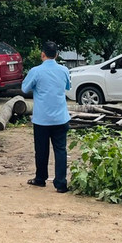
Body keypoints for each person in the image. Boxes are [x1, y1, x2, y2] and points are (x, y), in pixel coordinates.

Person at [21, 41, 72, 193]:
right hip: (60, 117)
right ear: (56, 55)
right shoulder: (64, 70)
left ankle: (41, 178)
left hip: (42, 118)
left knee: (41, 150)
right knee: (61, 150)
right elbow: (68, 87)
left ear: (42, 54)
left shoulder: (36, 71)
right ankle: (61, 183)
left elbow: (24, 88)